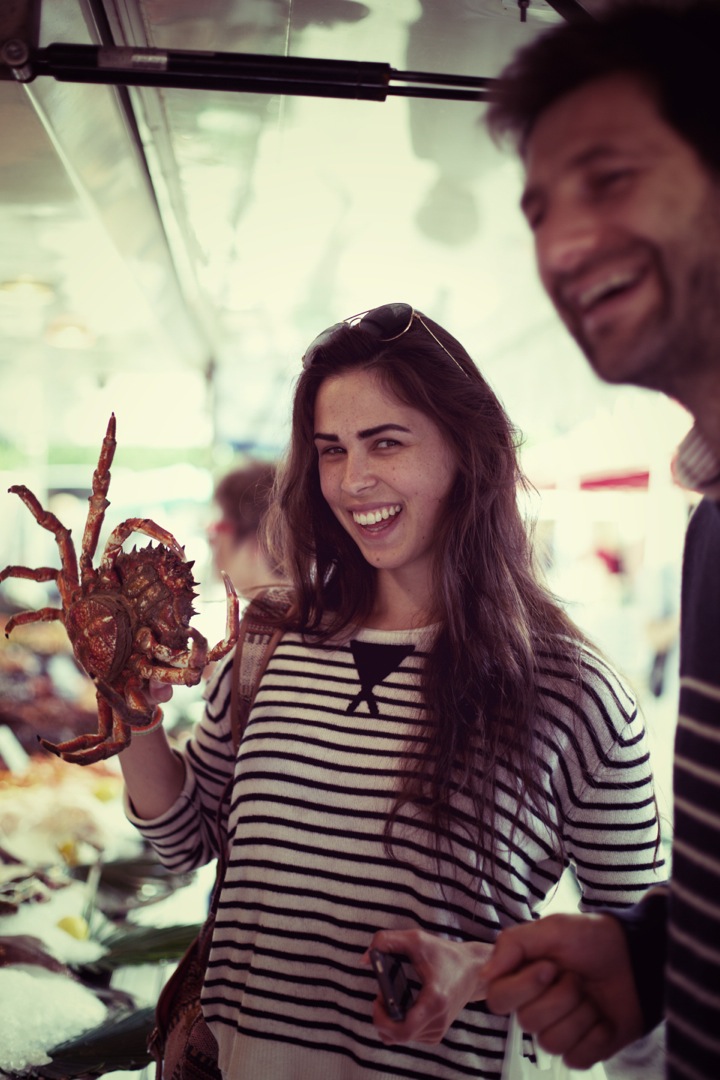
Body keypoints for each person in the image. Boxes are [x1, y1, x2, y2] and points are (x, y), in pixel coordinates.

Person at [120, 302, 664, 1080]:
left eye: (385, 443)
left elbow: (642, 975)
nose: (352, 480)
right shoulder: (271, 636)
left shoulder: (574, 690)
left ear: (465, 450)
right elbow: (182, 844)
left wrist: (475, 971)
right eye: (331, 450)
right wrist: (129, 709)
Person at [481, 5, 720, 1079]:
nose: (562, 243)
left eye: (610, 178)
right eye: (539, 209)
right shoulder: (712, 526)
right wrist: (658, 955)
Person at [208, 461, 285, 597]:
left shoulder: (265, 616)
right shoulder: (305, 610)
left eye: (220, 528)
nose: (211, 540)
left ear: (260, 542)